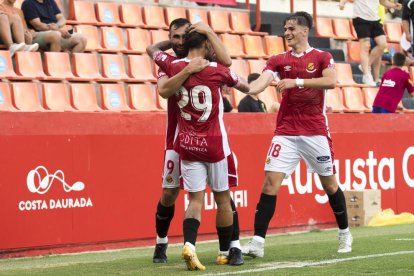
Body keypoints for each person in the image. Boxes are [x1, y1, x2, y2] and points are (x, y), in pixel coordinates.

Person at [241, 11, 353, 258]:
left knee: (329, 184)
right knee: (270, 183)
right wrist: (240, 85)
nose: (287, 33)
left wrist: (297, 82)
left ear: (305, 30)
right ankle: (257, 244)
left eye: (292, 29)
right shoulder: (278, 60)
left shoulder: (322, 56)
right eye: (285, 29)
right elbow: (259, 84)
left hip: (315, 131)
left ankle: (344, 232)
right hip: (286, 131)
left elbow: (331, 81)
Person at [147, 19, 244, 266]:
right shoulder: (171, 66)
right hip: (177, 139)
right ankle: (161, 243)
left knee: (220, 196)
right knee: (170, 194)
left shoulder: (174, 63)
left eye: (183, 37)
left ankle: (234, 247)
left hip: (191, 139)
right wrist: (188, 69)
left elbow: (152, 50)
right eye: (174, 38)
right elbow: (164, 90)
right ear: (170, 39)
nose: (178, 42)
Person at [339, 0, 401, 86]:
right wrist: (342, 3)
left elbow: (383, 2)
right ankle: (366, 75)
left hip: (374, 19)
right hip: (360, 18)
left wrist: (394, 5)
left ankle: (365, 65)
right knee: (365, 45)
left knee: (383, 44)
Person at [21, 0, 87, 52]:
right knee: (56, 35)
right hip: (37, 34)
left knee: (82, 39)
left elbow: (62, 19)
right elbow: (38, 25)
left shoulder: (50, 1)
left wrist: (57, 26)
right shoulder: (28, 3)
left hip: (55, 31)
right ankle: (54, 67)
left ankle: (68, 66)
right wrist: (57, 30)